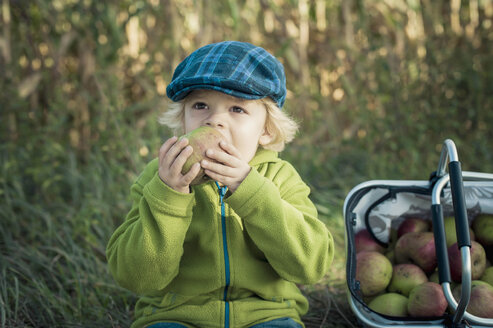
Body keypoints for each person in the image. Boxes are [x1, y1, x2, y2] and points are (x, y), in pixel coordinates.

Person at [106, 41, 334, 328]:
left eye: (237, 109)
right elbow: (135, 277)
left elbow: (311, 266)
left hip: (266, 315)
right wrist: (168, 196)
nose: (215, 120)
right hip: (175, 316)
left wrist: (250, 190)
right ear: (183, 119)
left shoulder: (280, 179)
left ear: (266, 129)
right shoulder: (158, 178)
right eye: (200, 106)